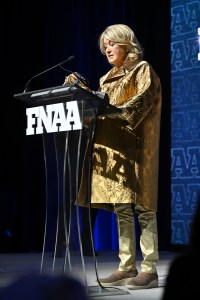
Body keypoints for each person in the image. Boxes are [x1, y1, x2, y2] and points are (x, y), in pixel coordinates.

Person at [64, 24, 162, 290]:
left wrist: (111, 111)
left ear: (126, 44)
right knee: (121, 209)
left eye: (111, 43)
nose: (106, 48)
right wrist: (80, 89)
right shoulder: (106, 78)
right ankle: (126, 266)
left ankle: (149, 269)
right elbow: (99, 107)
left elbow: (142, 101)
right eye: (104, 45)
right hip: (113, 149)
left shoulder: (142, 69)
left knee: (142, 208)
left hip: (137, 148)